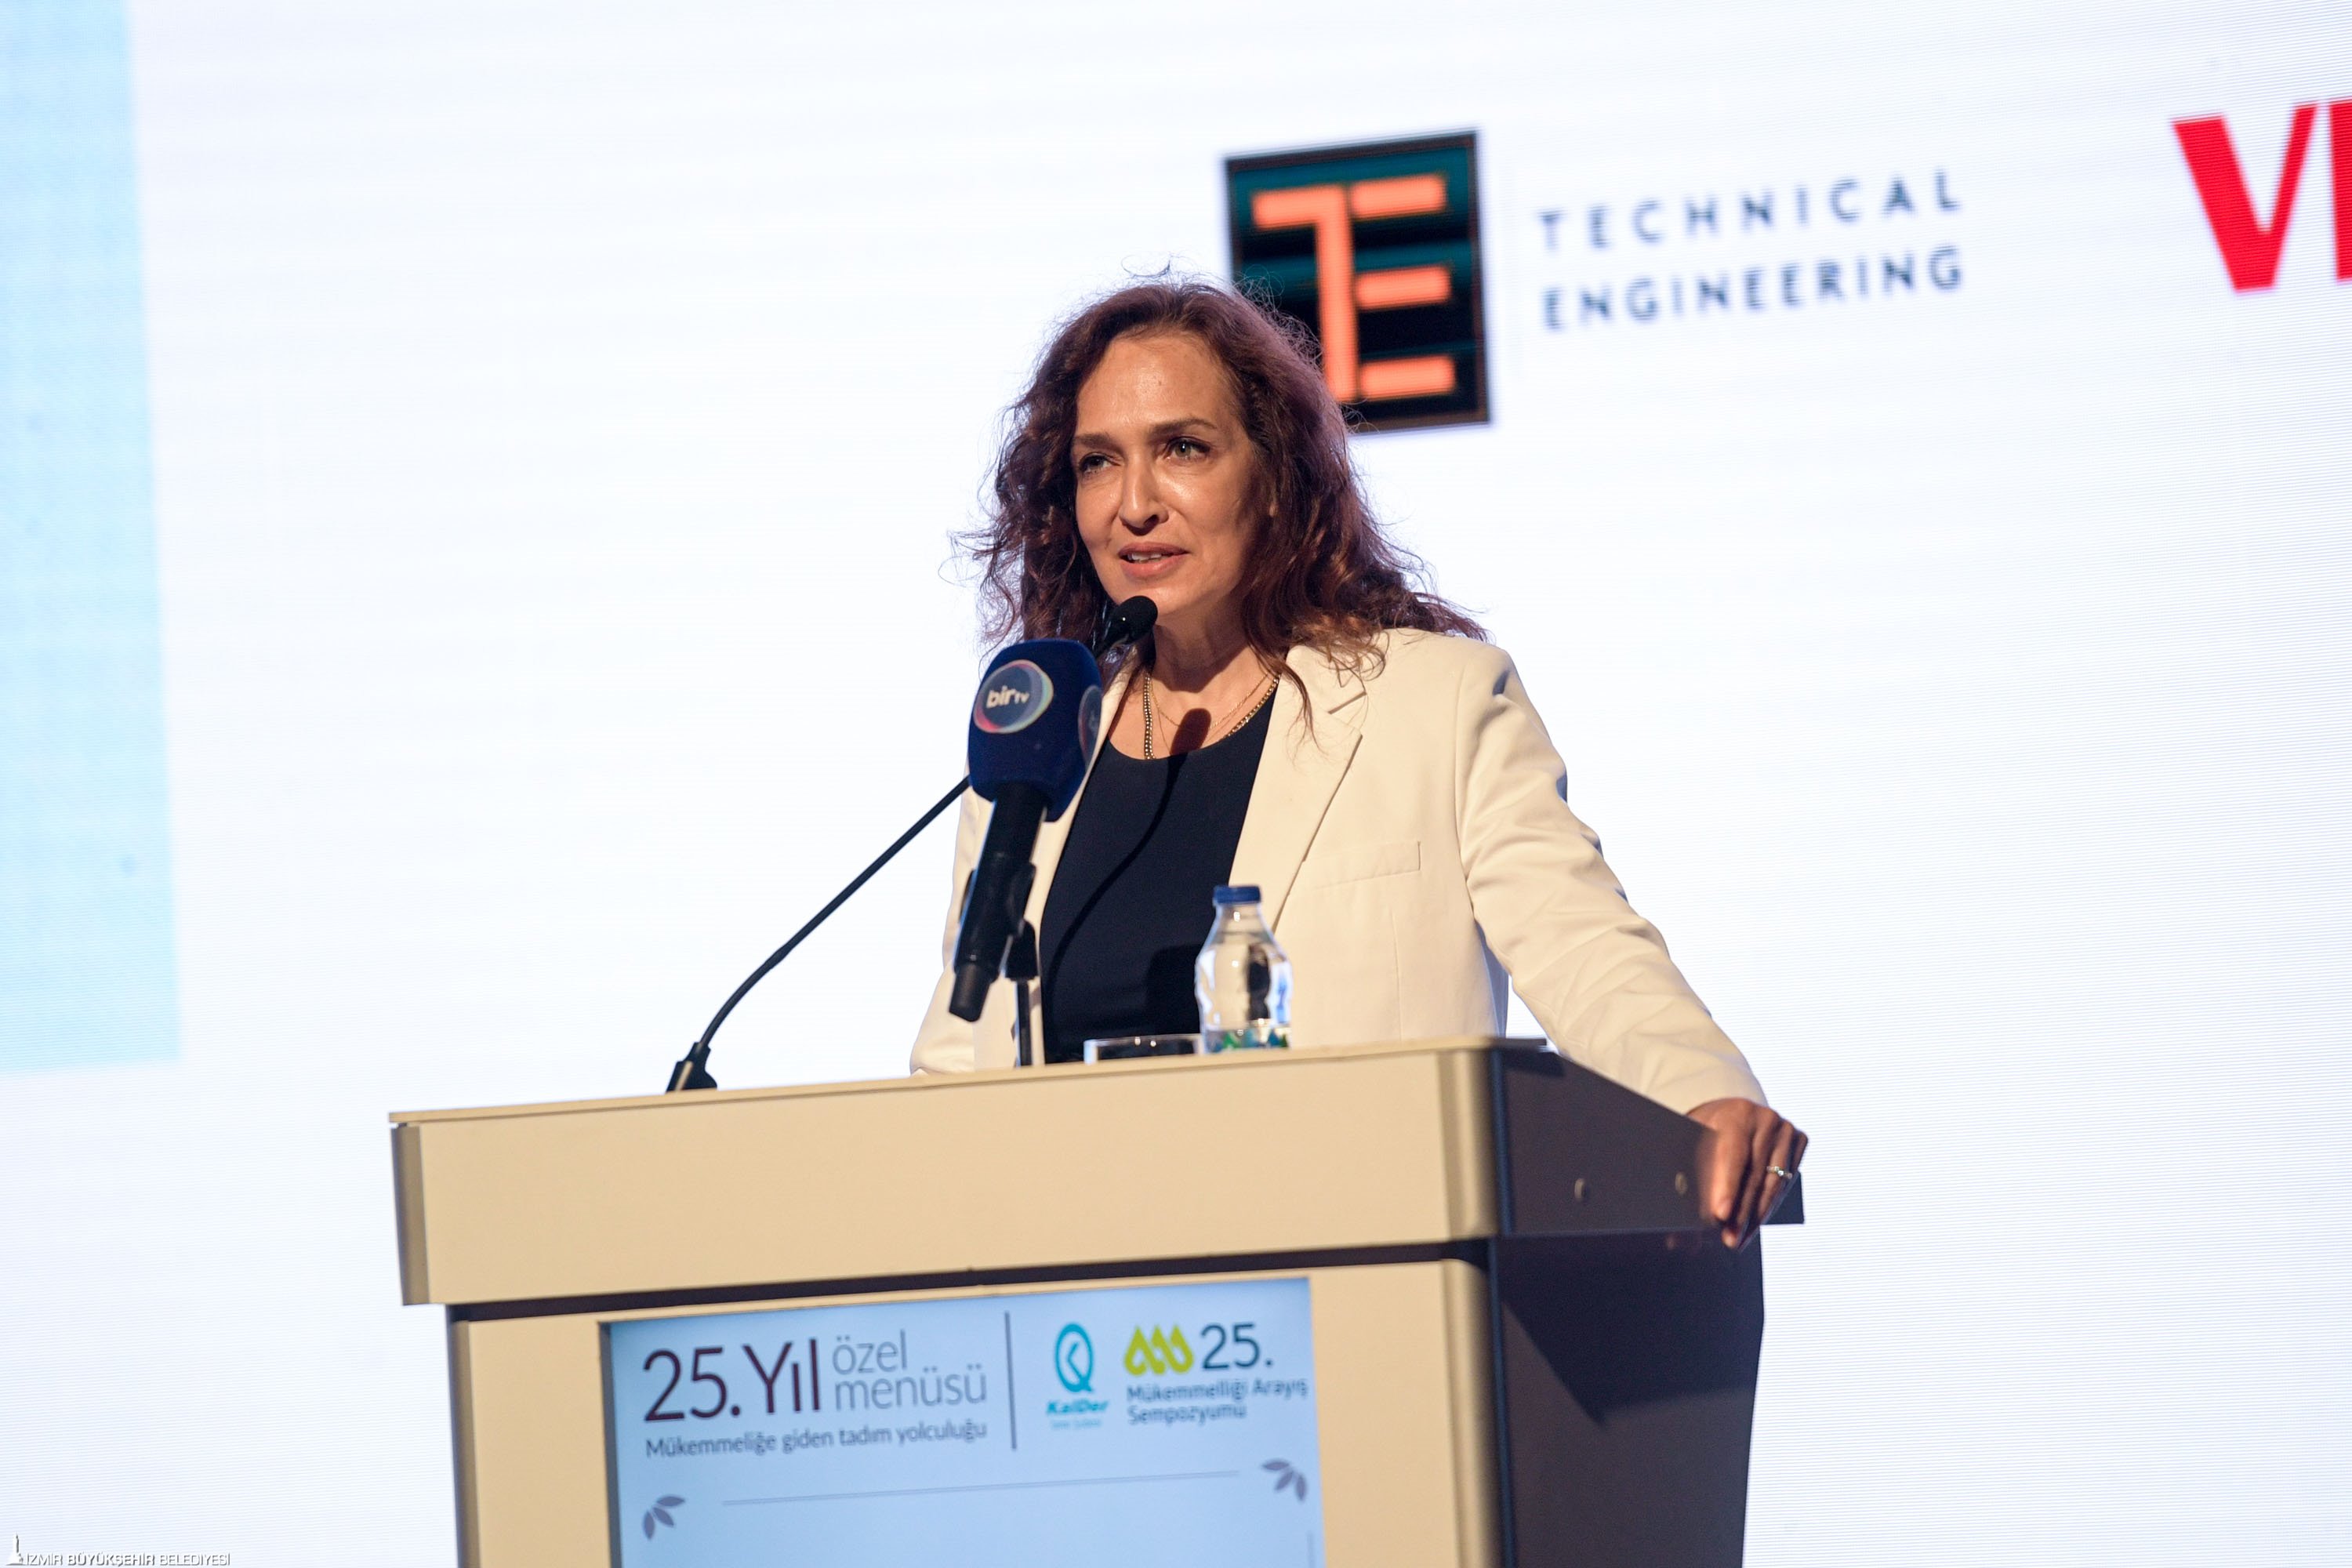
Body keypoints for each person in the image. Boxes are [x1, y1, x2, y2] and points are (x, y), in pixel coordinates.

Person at [912, 279, 1804, 1247]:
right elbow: (959, 1066)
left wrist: (1700, 1094)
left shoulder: (1433, 705)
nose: (1134, 504)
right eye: (1098, 462)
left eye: (1183, 449)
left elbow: (1584, 947)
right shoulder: (1040, 753)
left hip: (1357, 1277)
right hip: (1079, 1297)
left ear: (1273, 477)